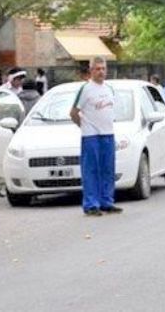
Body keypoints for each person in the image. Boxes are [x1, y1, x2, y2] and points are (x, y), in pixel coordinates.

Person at [70, 56, 122, 216]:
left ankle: (107, 201)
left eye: (103, 69)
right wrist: (84, 126)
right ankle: (91, 204)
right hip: (91, 136)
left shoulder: (109, 89)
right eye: (97, 69)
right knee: (91, 170)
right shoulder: (86, 89)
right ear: (91, 70)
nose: (101, 72)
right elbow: (73, 112)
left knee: (108, 169)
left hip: (108, 133)